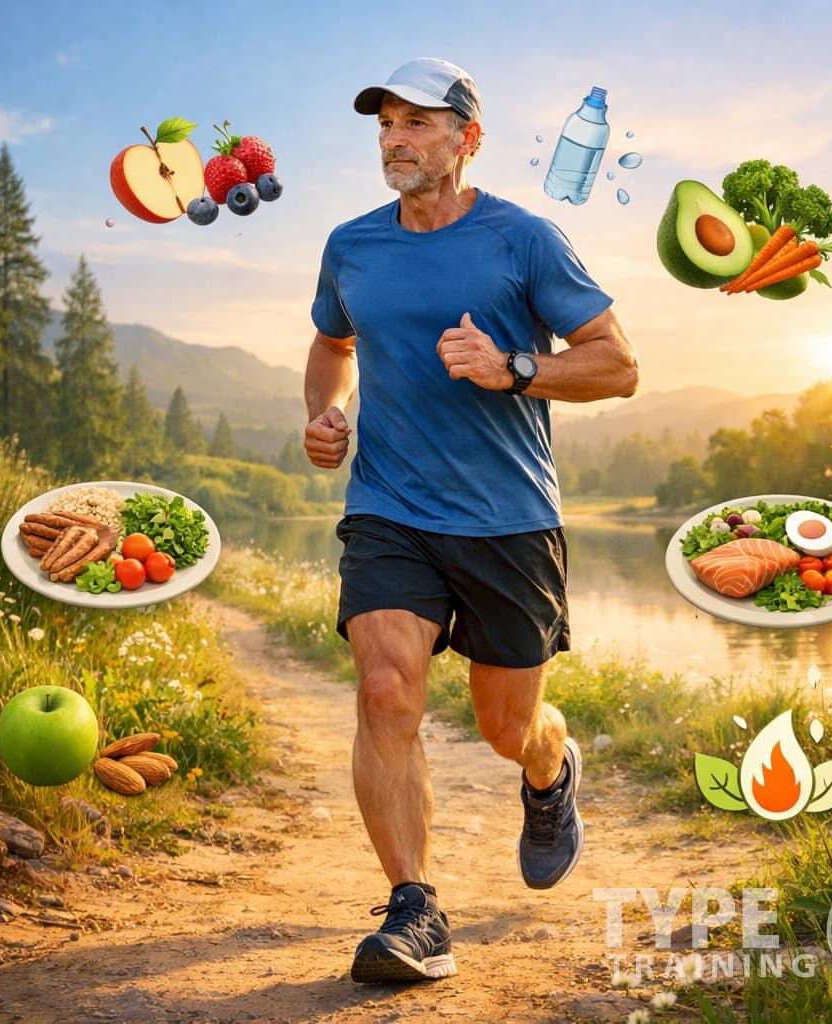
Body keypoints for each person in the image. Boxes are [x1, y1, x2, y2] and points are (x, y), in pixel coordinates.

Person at [304, 57, 639, 984]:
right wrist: (324, 415)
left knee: (504, 728)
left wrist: (514, 369)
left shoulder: (525, 239)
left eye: (417, 124)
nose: (396, 141)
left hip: (508, 521)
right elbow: (332, 343)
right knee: (385, 691)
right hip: (390, 508)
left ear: (467, 139)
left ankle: (548, 768)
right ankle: (414, 909)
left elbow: (617, 364)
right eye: (386, 125)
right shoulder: (352, 245)